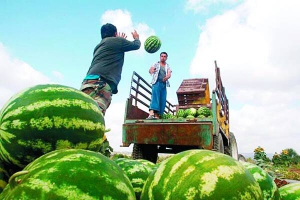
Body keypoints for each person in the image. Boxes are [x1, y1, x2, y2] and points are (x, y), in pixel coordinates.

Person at [80, 23, 141, 115]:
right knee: (96, 115)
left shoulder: (99, 46)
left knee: (81, 112)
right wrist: (136, 37)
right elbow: (136, 45)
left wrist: (120, 41)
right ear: (116, 33)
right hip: (101, 83)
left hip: (87, 82)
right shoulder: (118, 41)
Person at [146, 52, 172, 119]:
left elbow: (169, 73)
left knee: (162, 99)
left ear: (166, 58)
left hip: (163, 84)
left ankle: (157, 116)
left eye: (164, 56)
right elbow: (151, 69)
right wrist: (151, 70)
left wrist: (167, 77)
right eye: (162, 56)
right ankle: (151, 114)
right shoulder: (156, 64)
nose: (163, 57)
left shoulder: (167, 66)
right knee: (155, 97)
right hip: (156, 83)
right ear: (160, 57)